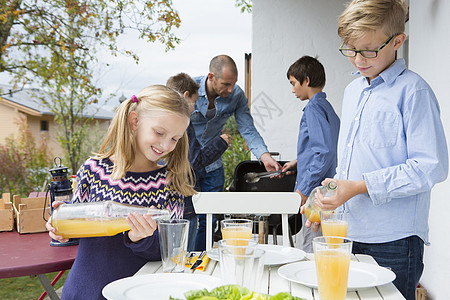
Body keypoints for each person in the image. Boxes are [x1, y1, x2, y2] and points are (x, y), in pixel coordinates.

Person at [307, 1, 448, 299]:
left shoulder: (414, 91)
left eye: (368, 50)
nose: (358, 59)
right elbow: (352, 164)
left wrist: (357, 187)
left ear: (398, 41)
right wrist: (328, 197)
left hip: (393, 241)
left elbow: (430, 167)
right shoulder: (353, 91)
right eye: (350, 49)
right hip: (346, 233)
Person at [46, 85, 196, 299]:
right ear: (134, 121)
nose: (166, 144)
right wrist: (60, 227)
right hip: (85, 292)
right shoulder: (93, 170)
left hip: (138, 294)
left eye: (175, 138)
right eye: (159, 132)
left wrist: (140, 238)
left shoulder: (169, 182)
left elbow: (168, 253)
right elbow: (76, 229)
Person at [191, 54, 281, 250]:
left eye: (234, 83)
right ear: (211, 77)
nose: (230, 89)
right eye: (226, 84)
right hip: (187, 166)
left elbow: (247, 128)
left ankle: (202, 263)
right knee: (189, 218)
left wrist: (264, 156)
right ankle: (189, 264)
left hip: (213, 166)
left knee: (209, 221)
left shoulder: (236, 95)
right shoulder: (189, 89)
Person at [166, 72, 232, 251]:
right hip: (183, 202)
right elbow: (194, 160)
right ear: (185, 96)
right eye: (194, 102)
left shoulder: (160, 122)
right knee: (186, 252)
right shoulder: (182, 124)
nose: (195, 108)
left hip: (166, 201)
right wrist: (220, 142)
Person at [281, 56, 340, 253]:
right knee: (324, 246)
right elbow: (326, 147)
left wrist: (304, 189)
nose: (292, 90)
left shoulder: (313, 108)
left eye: (293, 83)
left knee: (312, 250)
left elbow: (324, 152)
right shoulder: (327, 107)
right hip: (328, 190)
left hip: (316, 193)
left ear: (306, 80)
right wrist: (298, 162)